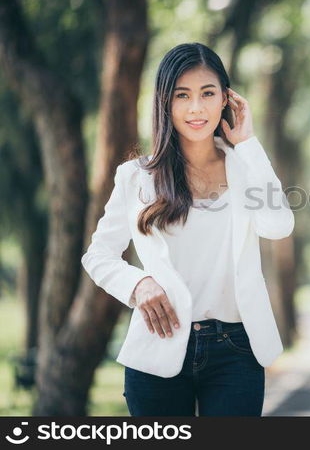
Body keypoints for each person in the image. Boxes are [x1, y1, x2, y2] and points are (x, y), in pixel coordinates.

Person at [81, 42, 294, 416]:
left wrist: (248, 143)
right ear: (165, 102)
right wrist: (138, 284)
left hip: (237, 350)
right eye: (183, 96)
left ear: (226, 100)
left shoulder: (246, 165)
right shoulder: (136, 177)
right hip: (159, 345)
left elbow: (278, 226)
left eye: (207, 94)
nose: (196, 108)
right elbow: (98, 254)